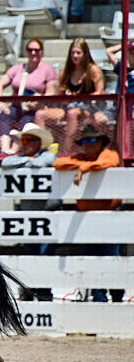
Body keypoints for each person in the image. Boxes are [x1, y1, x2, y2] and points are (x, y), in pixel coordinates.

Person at [54, 124, 122, 301]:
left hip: (109, 216)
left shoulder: (108, 153)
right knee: (91, 257)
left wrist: (82, 169)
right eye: (85, 141)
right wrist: (83, 165)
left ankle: (117, 295)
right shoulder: (81, 157)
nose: (89, 144)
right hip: (86, 218)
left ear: (101, 142)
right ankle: (99, 297)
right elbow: (58, 163)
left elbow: (110, 162)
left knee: (111, 257)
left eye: (93, 140)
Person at [35, 38, 106, 152]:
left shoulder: (93, 70)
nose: (75, 56)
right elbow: (60, 97)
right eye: (73, 53)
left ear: (85, 54)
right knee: (40, 114)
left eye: (78, 53)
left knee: (72, 114)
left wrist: (82, 97)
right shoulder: (65, 72)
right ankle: (41, 150)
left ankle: (65, 151)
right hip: (68, 107)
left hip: (88, 108)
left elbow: (100, 92)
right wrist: (67, 99)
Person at [0, 123, 58, 263]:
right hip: (29, 212)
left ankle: (44, 284)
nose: (23, 145)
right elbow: (5, 163)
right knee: (31, 252)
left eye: (27, 141)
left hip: (47, 212)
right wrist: (28, 160)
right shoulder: (19, 158)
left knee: (46, 254)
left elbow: (41, 163)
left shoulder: (48, 155)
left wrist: (24, 162)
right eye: (21, 141)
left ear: (38, 142)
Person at [0, 39, 58, 154]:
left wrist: (38, 101)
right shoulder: (18, 69)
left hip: (35, 109)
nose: (33, 53)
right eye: (30, 50)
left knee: (26, 121)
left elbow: (50, 92)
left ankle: (15, 150)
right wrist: (1, 102)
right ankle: (4, 149)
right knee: (5, 116)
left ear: (41, 52)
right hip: (17, 106)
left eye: (36, 50)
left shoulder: (48, 70)